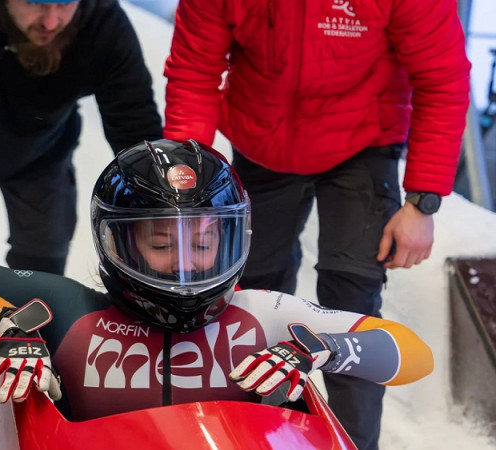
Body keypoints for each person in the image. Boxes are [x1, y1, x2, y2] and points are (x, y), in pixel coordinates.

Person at [0, 139, 433, 424]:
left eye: (202, 243)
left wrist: (327, 349)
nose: (186, 265)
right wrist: (3, 322)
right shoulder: (67, 312)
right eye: (160, 244)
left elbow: (412, 354)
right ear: (118, 245)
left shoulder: (262, 315)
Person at [161, 1, 470, 447]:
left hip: (362, 141)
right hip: (261, 137)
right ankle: (255, 433)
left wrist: (422, 202)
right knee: (249, 299)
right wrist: (187, 190)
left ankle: (354, 443)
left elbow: (442, 79)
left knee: (352, 302)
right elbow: (194, 70)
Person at [0, 0, 162, 352]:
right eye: (35, 3)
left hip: (43, 152)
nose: (51, 21)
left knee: (44, 256)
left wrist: (156, 199)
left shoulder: (100, 17)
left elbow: (132, 114)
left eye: (65, 3)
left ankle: (29, 340)